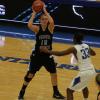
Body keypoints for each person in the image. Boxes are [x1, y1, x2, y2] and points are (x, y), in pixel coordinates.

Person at [18, 4, 65, 100]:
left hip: (48, 55)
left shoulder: (50, 28)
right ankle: (22, 91)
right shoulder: (37, 29)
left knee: (53, 73)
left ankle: (55, 92)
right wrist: (34, 13)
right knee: (30, 75)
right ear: (40, 21)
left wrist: (45, 11)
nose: (44, 20)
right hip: (37, 56)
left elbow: (52, 21)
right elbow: (29, 25)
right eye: (42, 19)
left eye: (45, 19)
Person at [40, 33, 96, 100]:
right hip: (92, 71)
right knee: (84, 85)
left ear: (74, 39)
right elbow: (94, 53)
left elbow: (60, 53)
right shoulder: (87, 45)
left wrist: (47, 51)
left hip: (84, 73)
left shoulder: (73, 48)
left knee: (69, 90)